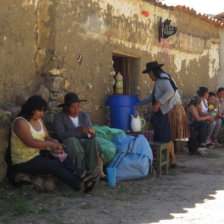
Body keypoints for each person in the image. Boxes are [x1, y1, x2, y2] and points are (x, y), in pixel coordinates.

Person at [10, 95, 100, 192]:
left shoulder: (39, 121)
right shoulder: (20, 122)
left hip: (37, 155)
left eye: (43, 111)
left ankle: (82, 174)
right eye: (40, 111)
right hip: (24, 161)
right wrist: (50, 144)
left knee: (62, 155)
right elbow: (31, 142)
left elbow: (47, 137)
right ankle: (80, 185)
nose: (42, 114)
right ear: (32, 109)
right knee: (55, 165)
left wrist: (56, 143)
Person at [140, 61, 190, 168]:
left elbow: (170, 91)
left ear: (152, 72)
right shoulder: (160, 80)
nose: (149, 76)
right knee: (169, 137)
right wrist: (138, 102)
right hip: (170, 109)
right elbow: (151, 97)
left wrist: (159, 103)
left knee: (166, 137)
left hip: (170, 110)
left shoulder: (162, 79)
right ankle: (172, 160)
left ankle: (168, 160)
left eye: (149, 74)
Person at [53, 93, 106, 179]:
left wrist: (91, 134)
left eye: (78, 106)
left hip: (85, 143)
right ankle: (80, 173)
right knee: (71, 140)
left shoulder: (84, 116)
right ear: (66, 107)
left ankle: (98, 172)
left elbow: (91, 133)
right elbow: (60, 135)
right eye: (73, 107)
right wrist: (78, 130)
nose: (76, 109)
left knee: (95, 140)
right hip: (70, 146)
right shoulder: (59, 117)